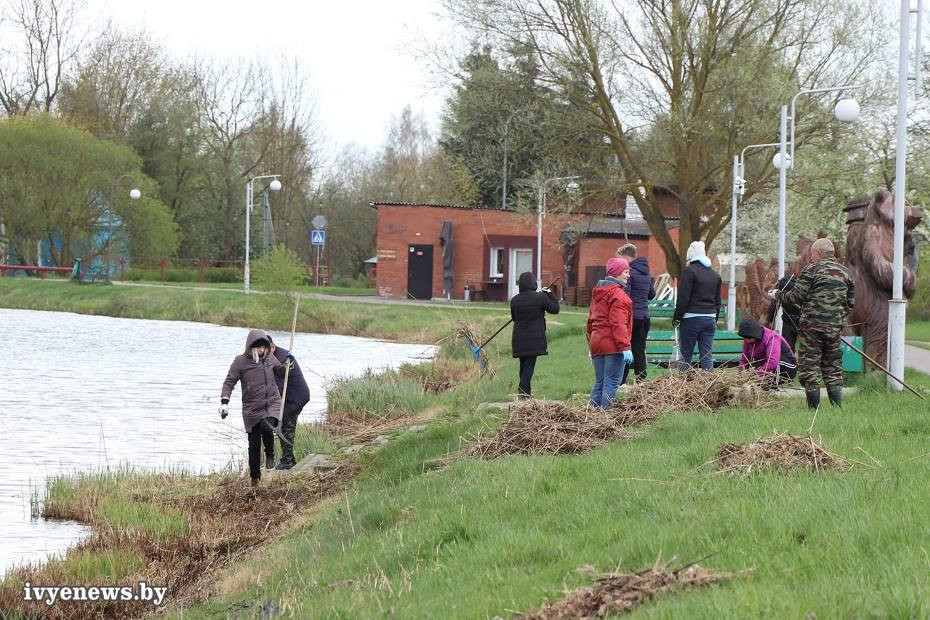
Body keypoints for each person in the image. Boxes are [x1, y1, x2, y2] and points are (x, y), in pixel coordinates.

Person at [772, 238, 854, 409]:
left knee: (810, 367)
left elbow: (795, 297)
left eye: (812, 255)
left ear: (818, 253)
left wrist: (778, 295)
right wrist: (836, 318)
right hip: (834, 328)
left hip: (812, 328)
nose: (811, 258)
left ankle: (813, 409)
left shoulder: (811, 269)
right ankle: (837, 408)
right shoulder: (845, 272)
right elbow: (851, 303)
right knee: (833, 366)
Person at [219, 329, 285, 487]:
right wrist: (224, 403)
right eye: (259, 347)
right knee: (253, 445)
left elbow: (280, 371)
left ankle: (270, 455)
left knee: (267, 426)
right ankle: (255, 478)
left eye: (264, 347)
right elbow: (229, 382)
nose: (262, 350)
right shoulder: (240, 362)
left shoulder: (269, 357)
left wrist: (288, 366)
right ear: (251, 347)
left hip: (271, 403)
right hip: (251, 408)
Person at [587, 257, 634, 408]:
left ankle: (591, 416)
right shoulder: (619, 295)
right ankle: (604, 418)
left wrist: (591, 344)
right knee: (612, 383)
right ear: (617, 273)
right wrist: (625, 347)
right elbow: (618, 323)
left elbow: (590, 321)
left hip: (597, 342)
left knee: (600, 382)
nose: (628, 275)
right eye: (626, 272)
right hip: (613, 345)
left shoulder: (597, 293)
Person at [510, 271, 561, 398]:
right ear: (533, 283)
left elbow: (514, 318)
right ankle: (523, 392)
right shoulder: (540, 297)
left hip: (519, 339)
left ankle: (525, 392)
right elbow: (555, 309)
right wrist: (550, 294)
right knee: (529, 365)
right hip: (535, 340)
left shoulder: (515, 300)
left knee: (524, 364)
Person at [673, 241, 722, 370]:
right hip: (710, 318)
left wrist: (677, 317)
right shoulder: (715, 275)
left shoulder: (689, 272)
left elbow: (683, 298)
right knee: (706, 354)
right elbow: (718, 301)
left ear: (691, 257)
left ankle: (682, 385)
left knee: (685, 354)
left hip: (691, 318)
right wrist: (715, 319)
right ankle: (709, 385)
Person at [267, 335, 311, 470]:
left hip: (295, 397)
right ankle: (289, 459)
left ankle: (287, 461)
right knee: (277, 425)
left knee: (286, 424)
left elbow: (278, 387)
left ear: (272, 347)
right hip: (286, 397)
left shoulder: (282, 358)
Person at [616, 243, 656, 384]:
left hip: (632, 317)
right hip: (645, 317)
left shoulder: (630, 273)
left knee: (626, 347)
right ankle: (641, 380)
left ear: (628, 258)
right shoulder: (646, 272)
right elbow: (652, 294)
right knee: (639, 349)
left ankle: (621, 380)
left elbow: (626, 297)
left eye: (621, 260)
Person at [737, 319, 798, 389]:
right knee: (756, 380)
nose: (746, 340)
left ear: (755, 335)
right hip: (767, 367)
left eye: (749, 338)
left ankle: (773, 386)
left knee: (776, 363)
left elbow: (772, 362)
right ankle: (763, 386)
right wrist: (742, 371)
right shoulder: (747, 340)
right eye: (745, 338)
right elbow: (744, 360)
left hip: (787, 366)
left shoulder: (772, 338)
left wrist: (757, 374)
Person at [764, 274, 801, 351]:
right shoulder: (780, 292)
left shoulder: (800, 290)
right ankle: (788, 362)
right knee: (787, 347)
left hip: (803, 321)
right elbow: (774, 306)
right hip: (788, 322)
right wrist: (769, 321)